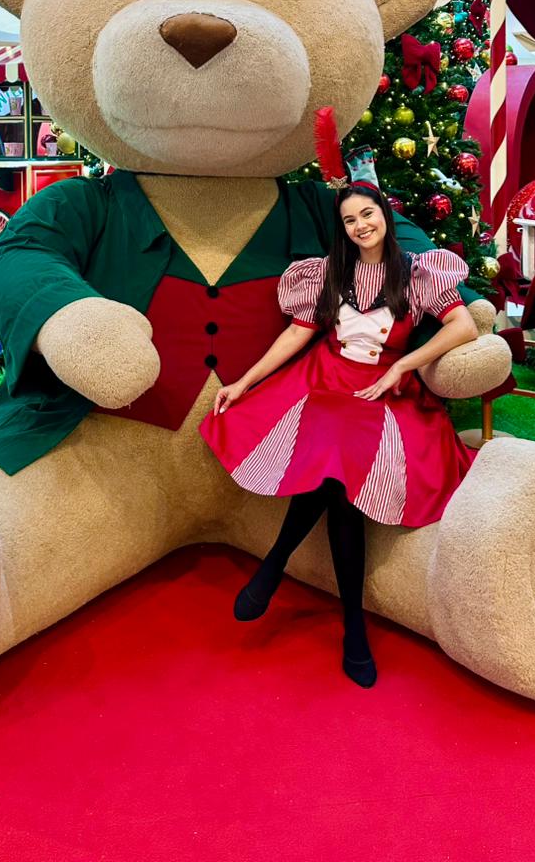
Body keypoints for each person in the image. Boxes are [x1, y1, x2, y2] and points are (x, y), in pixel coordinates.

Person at [199, 113, 477, 690]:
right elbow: (298, 334)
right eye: (349, 219)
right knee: (334, 472)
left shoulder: (418, 273)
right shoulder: (327, 274)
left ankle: (282, 571)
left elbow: (463, 326)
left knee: (341, 475)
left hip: (383, 393)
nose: (359, 226)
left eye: (367, 214)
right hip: (325, 383)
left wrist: (404, 364)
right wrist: (245, 382)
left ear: (384, 215)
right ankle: (350, 627)